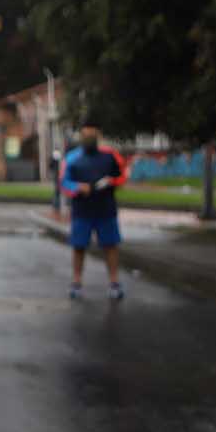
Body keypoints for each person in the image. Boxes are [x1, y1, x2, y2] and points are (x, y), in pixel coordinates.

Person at [60, 121, 129, 300]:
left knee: (110, 246)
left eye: (92, 134)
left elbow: (122, 176)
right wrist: (77, 187)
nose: (89, 137)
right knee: (79, 247)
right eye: (86, 134)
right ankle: (76, 283)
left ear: (98, 135)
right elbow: (64, 182)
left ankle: (114, 283)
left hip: (106, 209)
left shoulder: (110, 155)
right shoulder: (72, 158)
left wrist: (112, 181)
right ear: (81, 136)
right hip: (82, 211)